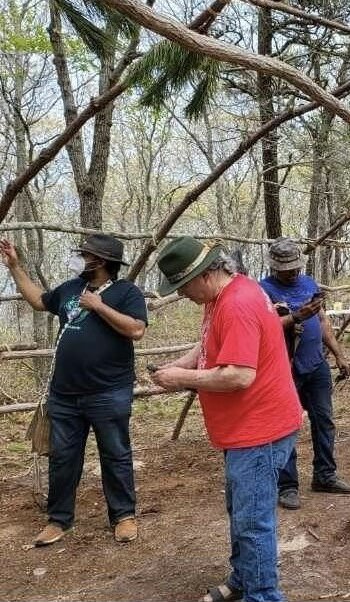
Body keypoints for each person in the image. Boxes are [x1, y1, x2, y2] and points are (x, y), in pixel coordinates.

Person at [150, 237, 302, 602]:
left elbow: (238, 375)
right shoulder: (224, 295)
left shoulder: (238, 303)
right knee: (241, 511)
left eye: (182, 286)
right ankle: (244, 579)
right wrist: (179, 366)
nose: (182, 294)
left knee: (252, 522)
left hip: (259, 430)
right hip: (244, 430)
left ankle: (263, 595)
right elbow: (209, 343)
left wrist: (180, 379)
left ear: (204, 275)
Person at [0, 235, 147, 546]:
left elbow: (136, 329)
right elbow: (38, 301)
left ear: (102, 261)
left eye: (85, 254)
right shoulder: (70, 288)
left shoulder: (126, 292)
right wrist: (15, 267)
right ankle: (59, 520)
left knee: (116, 454)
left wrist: (99, 306)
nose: (79, 258)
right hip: (65, 395)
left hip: (109, 392)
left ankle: (123, 516)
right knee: (63, 458)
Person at [259, 237, 350, 510]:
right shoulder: (263, 291)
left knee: (324, 420)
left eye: (294, 267)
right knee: (287, 425)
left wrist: (338, 353)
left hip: (316, 364)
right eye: (285, 268)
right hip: (284, 368)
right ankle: (287, 485)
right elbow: (265, 328)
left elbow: (322, 320)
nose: (291, 272)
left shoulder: (309, 284)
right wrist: (297, 316)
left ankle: (325, 474)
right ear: (275, 267)